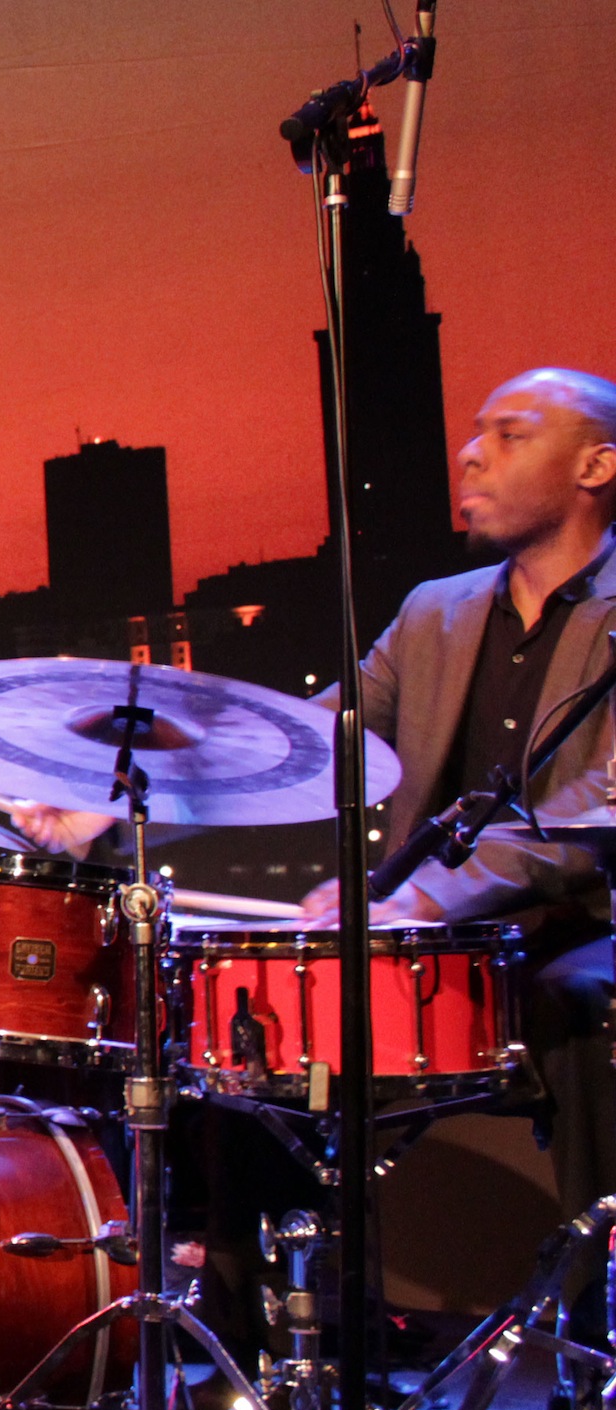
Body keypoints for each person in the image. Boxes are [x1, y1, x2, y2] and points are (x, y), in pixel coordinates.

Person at [301, 368, 614, 1233]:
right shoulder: (433, 613)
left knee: (582, 1000)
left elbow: (597, 813)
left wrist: (425, 900)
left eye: (510, 435)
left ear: (596, 466)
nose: (472, 454)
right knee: (249, 1007)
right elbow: (313, 742)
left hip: (588, 930)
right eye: (476, 432)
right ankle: (276, 1322)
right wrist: (134, 781)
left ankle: (594, 1322)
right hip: (436, 934)